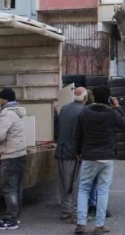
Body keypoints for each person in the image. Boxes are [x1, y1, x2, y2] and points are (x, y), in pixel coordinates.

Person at [74, 87, 125, 235]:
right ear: (108, 99)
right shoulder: (112, 113)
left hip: (88, 156)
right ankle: (99, 226)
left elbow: (77, 135)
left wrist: (78, 152)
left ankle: (81, 224)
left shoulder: (84, 112)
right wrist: (118, 107)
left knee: (84, 189)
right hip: (107, 157)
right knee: (103, 190)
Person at [0, 88, 27, 231]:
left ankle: (11, 220)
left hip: (10, 155)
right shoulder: (15, 113)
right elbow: (2, 127)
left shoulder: (7, 114)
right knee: (17, 188)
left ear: (4, 99)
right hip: (20, 154)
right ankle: (15, 216)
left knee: (9, 189)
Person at [56, 87, 89, 223]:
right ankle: (76, 215)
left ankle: (65, 211)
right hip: (74, 152)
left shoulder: (63, 109)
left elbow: (57, 129)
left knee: (64, 183)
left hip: (61, 150)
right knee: (77, 185)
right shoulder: (84, 111)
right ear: (85, 98)